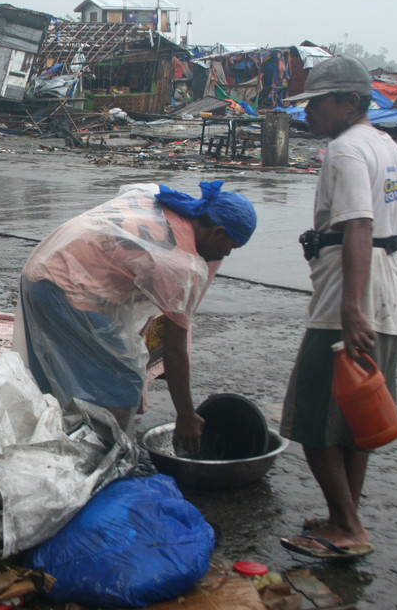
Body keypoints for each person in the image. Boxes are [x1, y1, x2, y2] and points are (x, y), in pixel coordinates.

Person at [13, 181, 256, 454]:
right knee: (122, 382)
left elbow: (131, 195)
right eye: (231, 246)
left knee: (58, 377)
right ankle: (105, 458)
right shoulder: (179, 264)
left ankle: (55, 446)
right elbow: (175, 349)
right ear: (217, 232)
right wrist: (186, 414)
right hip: (65, 289)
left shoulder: (163, 201)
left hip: (43, 265)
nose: (226, 254)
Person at [279, 57, 397, 560]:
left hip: (347, 296)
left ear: (351, 103)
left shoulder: (347, 150)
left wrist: (352, 308)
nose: (309, 112)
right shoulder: (390, 148)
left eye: (318, 102)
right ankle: (342, 514)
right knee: (359, 412)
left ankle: (348, 528)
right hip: (389, 288)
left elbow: (358, 225)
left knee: (313, 417)